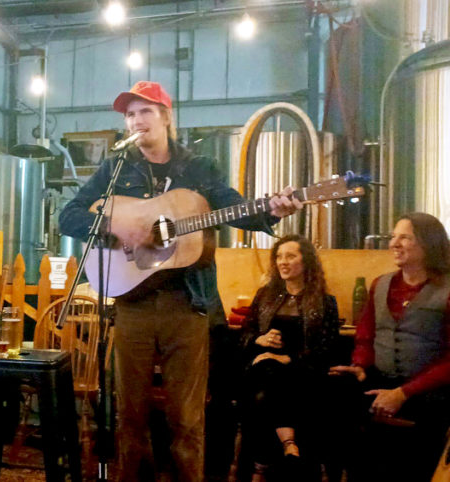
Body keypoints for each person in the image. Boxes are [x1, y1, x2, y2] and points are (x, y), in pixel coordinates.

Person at [58, 80, 302, 481]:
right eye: (130, 114)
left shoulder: (199, 168)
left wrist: (271, 211)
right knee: (129, 416)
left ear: (167, 117)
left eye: (146, 111)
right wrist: (117, 230)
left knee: (187, 420)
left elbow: (235, 209)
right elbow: (68, 216)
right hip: (132, 303)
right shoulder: (116, 168)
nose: (137, 120)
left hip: (188, 305)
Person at [329, 212, 450, 481]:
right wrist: (360, 365)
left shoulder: (447, 288)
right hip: (381, 378)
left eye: (405, 237)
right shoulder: (380, 284)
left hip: (428, 389)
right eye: (393, 236)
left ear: (428, 243)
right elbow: (365, 335)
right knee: (333, 393)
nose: (394, 243)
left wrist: (403, 393)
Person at [239, 235, 340, 481]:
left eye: (290, 256)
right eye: (279, 257)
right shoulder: (265, 295)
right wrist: (259, 340)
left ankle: (261, 465)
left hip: (302, 371)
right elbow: (245, 334)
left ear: (306, 262)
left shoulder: (325, 302)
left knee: (264, 392)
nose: (283, 262)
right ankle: (289, 444)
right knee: (266, 371)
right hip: (262, 365)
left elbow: (328, 349)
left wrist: (291, 359)